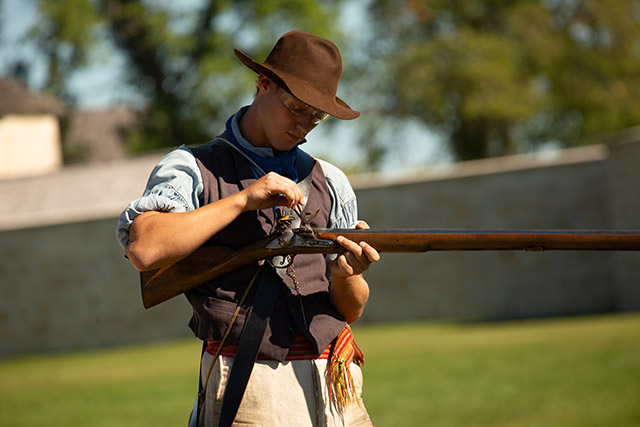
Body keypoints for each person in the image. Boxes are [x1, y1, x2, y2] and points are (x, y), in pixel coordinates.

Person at [116, 30, 379, 426]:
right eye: (296, 108)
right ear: (264, 84)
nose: (305, 125)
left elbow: (351, 309)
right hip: (249, 381)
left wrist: (347, 275)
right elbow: (144, 249)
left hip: (333, 380)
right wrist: (243, 200)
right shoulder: (192, 166)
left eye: (317, 115)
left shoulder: (332, 181)